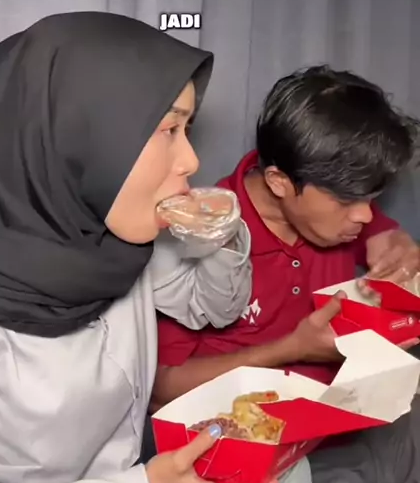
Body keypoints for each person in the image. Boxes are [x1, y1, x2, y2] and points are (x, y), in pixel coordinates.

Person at [0, 12, 314, 483]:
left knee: (275, 474)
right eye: (168, 130)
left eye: (187, 129)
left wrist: (220, 232)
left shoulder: (108, 237)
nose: (191, 161)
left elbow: (215, 307)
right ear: (78, 137)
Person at [154, 66, 420, 408]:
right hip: (236, 433)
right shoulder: (202, 239)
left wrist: (397, 241)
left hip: (349, 417)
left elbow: (381, 234)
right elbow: (161, 390)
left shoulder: (337, 202)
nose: (366, 215)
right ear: (278, 182)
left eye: (371, 198)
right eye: (347, 200)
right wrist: (292, 349)